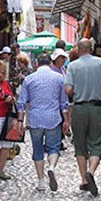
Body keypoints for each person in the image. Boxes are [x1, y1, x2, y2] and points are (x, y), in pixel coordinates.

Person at [15, 53, 70, 192]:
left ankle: (41, 181)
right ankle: (51, 167)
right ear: (50, 63)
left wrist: (20, 120)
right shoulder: (59, 78)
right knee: (53, 148)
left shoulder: (29, 79)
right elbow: (64, 103)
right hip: (53, 118)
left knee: (37, 150)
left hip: (35, 119)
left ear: (37, 64)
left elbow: (21, 102)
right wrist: (67, 120)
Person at [65, 39, 101, 197]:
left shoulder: (72, 66)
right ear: (92, 49)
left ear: (78, 49)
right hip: (99, 108)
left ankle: (84, 180)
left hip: (80, 108)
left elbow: (69, 89)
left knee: (80, 143)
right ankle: (91, 172)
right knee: (97, 142)